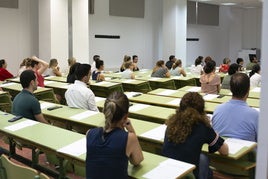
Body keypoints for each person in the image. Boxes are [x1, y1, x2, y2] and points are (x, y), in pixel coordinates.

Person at [163, 92, 228, 179]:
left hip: (168, 171)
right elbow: (224, 151)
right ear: (202, 110)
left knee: (202, 157)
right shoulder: (203, 127)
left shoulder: (171, 124)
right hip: (188, 175)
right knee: (204, 159)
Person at [86, 91, 143, 179]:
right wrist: (131, 131)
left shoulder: (89, 133)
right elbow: (137, 160)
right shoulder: (129, 137)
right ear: (126, 116)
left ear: (104, 112)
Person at [212, 73, 258, 142]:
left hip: (221, 149)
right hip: (247, 152)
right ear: (249, 89)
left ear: (230, 89)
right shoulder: (255, 115)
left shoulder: (218, 108)